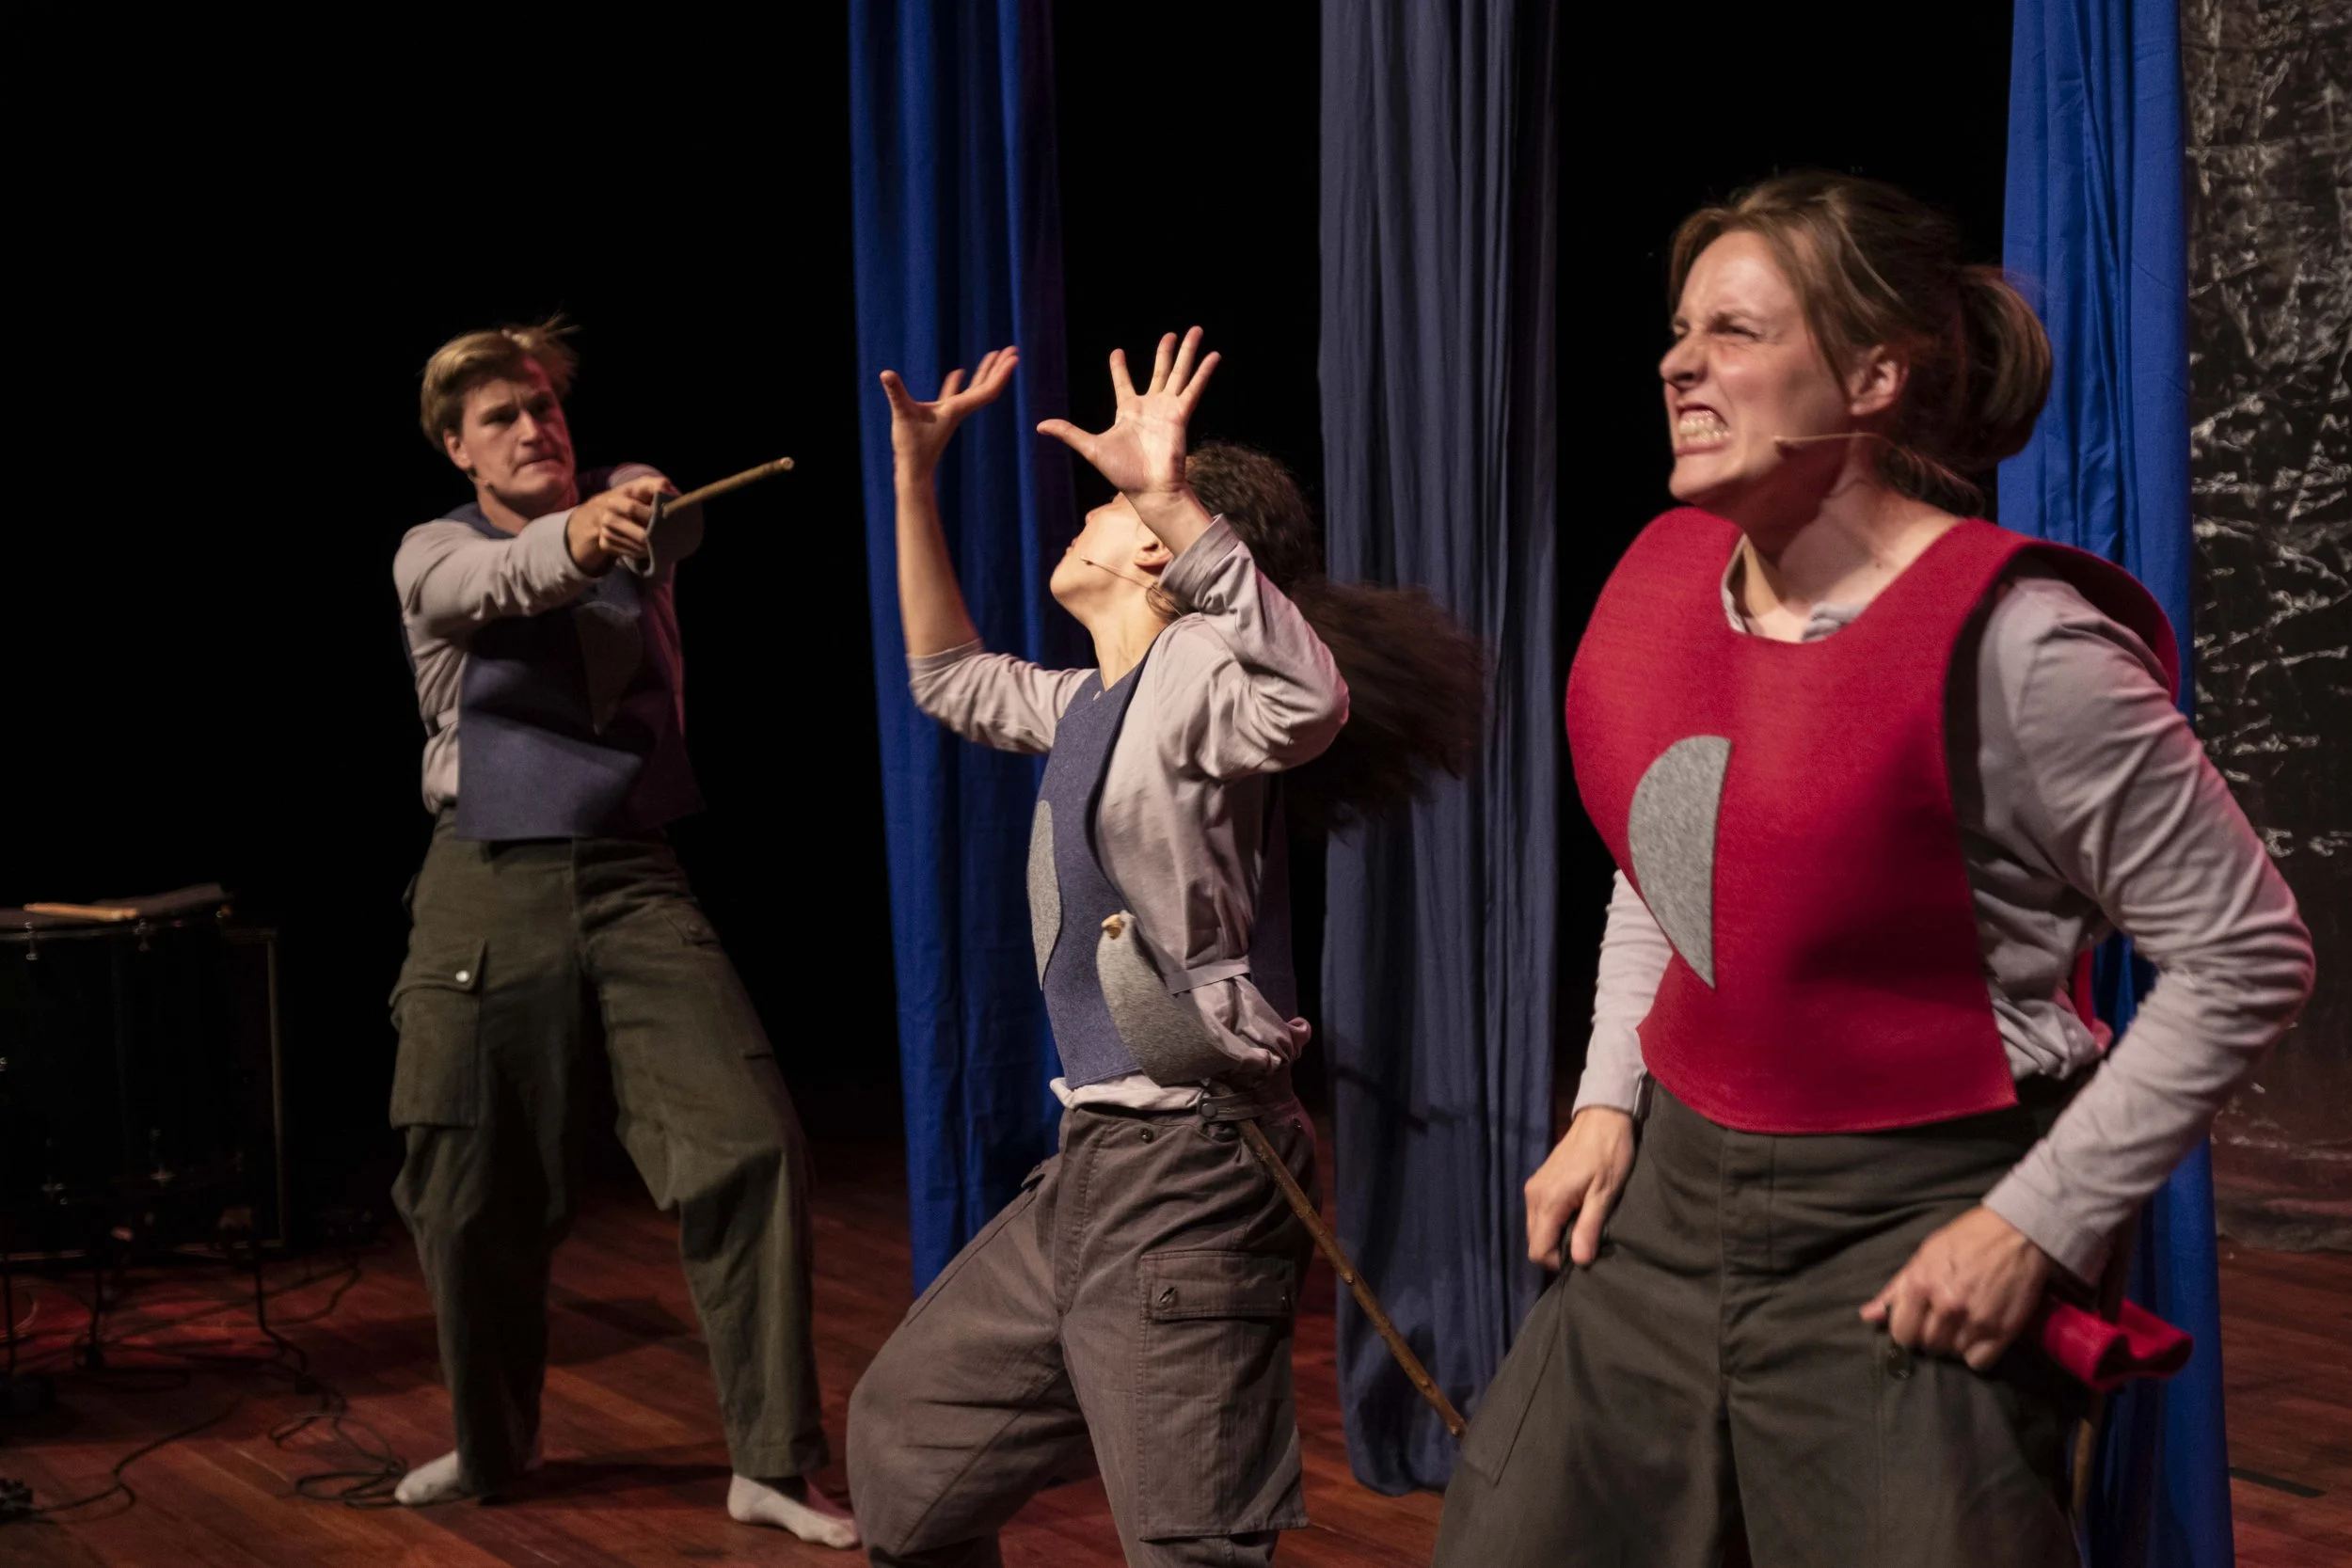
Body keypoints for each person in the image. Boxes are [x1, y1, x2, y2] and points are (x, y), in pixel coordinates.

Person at [1434, 174, 2314, 1567]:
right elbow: (1667, 855)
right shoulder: (1668, 577)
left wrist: (2038, 1223)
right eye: (1679, 328)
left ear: (1874, 374)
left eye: (1732, 330)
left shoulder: (2022, 647)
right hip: (1664, 1211)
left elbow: (2248, 948)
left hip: (1907, 1230)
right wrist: (1610, 1096)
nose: (1679, 361)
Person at [847, 329, 1482, 1567]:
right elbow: (947, 678)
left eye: (1109, 504)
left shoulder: (1200, 672)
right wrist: (914, 477)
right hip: (1093, 1157)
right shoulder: (1087, 700)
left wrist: (1175, 495)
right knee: (907, 1439)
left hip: (1193, 1168)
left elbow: (1313, 702)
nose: (1078, 523)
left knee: (1191, 1540)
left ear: (1153, 545)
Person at [387, 320, 857, 1547]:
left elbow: (663, 511)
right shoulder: (433, 550)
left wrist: (628, 508)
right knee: (467, 1186)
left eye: (544, 406)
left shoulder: (635, 507)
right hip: (481, 887)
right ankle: (494, 1442)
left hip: (635, 878)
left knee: (749, 1144)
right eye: (502, 416)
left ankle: (771, 1459)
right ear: (457, 447)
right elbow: (495, 584)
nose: (534, 428)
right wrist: (574, 535)